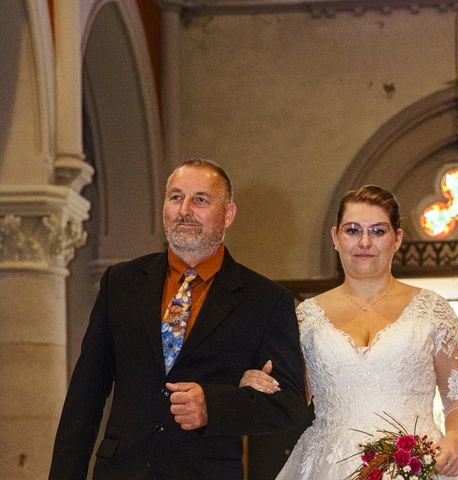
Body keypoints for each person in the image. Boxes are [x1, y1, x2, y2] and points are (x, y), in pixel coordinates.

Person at [49, 158, 307, 480]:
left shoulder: (265, 301)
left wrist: (214, 405)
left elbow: (291, 404)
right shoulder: (121, 283)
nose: (185, 209)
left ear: (228, 214)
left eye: (200, 199)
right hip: (120, 470)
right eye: (175, 197)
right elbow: (84, 397)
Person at [241, 185, 458, 479]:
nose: (364, 242)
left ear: (398, 238)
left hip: (414, 463)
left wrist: (455, 440)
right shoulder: (306, 317)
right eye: (352, 230)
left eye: (378, 231)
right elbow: (292, 398)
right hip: (327, 464)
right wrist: (261, 385)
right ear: (335, 237)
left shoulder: (433, 311)